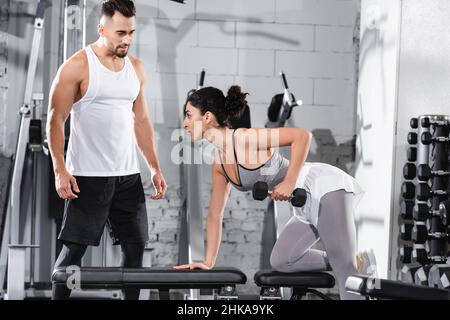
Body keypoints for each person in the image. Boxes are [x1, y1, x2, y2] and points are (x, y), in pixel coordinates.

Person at [174, 85, 376, 300]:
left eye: (188, 115)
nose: (184, 123)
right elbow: (215, 215)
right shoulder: (219, 165)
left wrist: (289, 182)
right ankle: (359, 260)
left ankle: (348, 260)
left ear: (206, 117)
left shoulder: (244, 138)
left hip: (323, 185)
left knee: (343, 269)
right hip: (303, 203)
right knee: (282, 260)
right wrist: (207, 262)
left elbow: (301, 136)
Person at [46, 0, 167, 300]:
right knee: (74, 251)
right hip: (87, 177)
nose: (126, 39)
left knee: (136, 248)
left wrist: (154, 167)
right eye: (120, 33)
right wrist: (60, 169)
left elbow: (141, 121)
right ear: (102, 28)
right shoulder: (76, 66)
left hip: (127, 177)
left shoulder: (135, 69)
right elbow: (55, 120)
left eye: (131, 33)